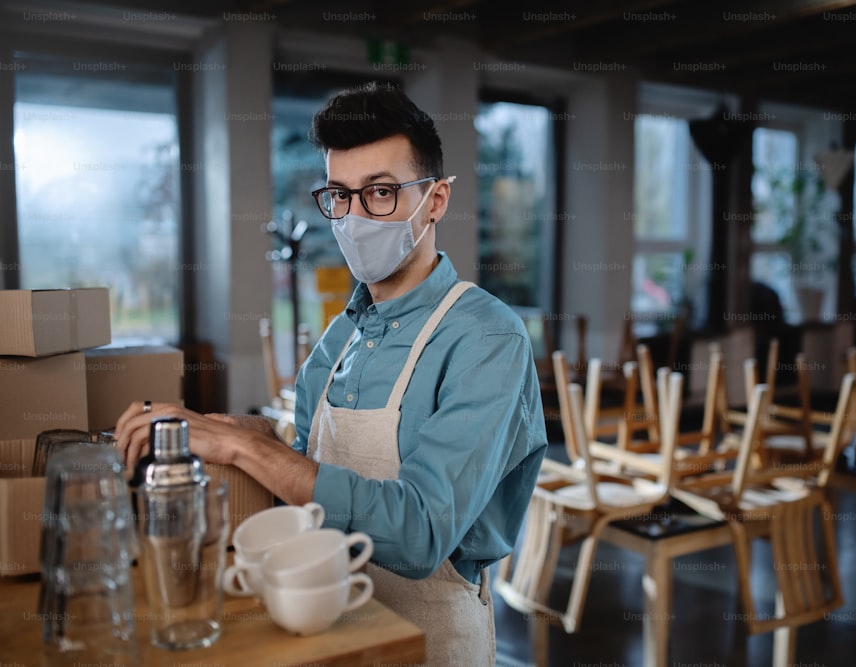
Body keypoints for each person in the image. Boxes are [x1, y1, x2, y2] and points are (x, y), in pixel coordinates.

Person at [115, 81, 548, 665]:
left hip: (432, 641)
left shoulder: (486, 338)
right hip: (331, 631)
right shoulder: (341, 335)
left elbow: (419, 532)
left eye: (382, 193)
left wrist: (251, 453)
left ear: (437, 200)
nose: (354, 218)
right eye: (340, 196)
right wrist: (236, 433)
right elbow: (308, 469)